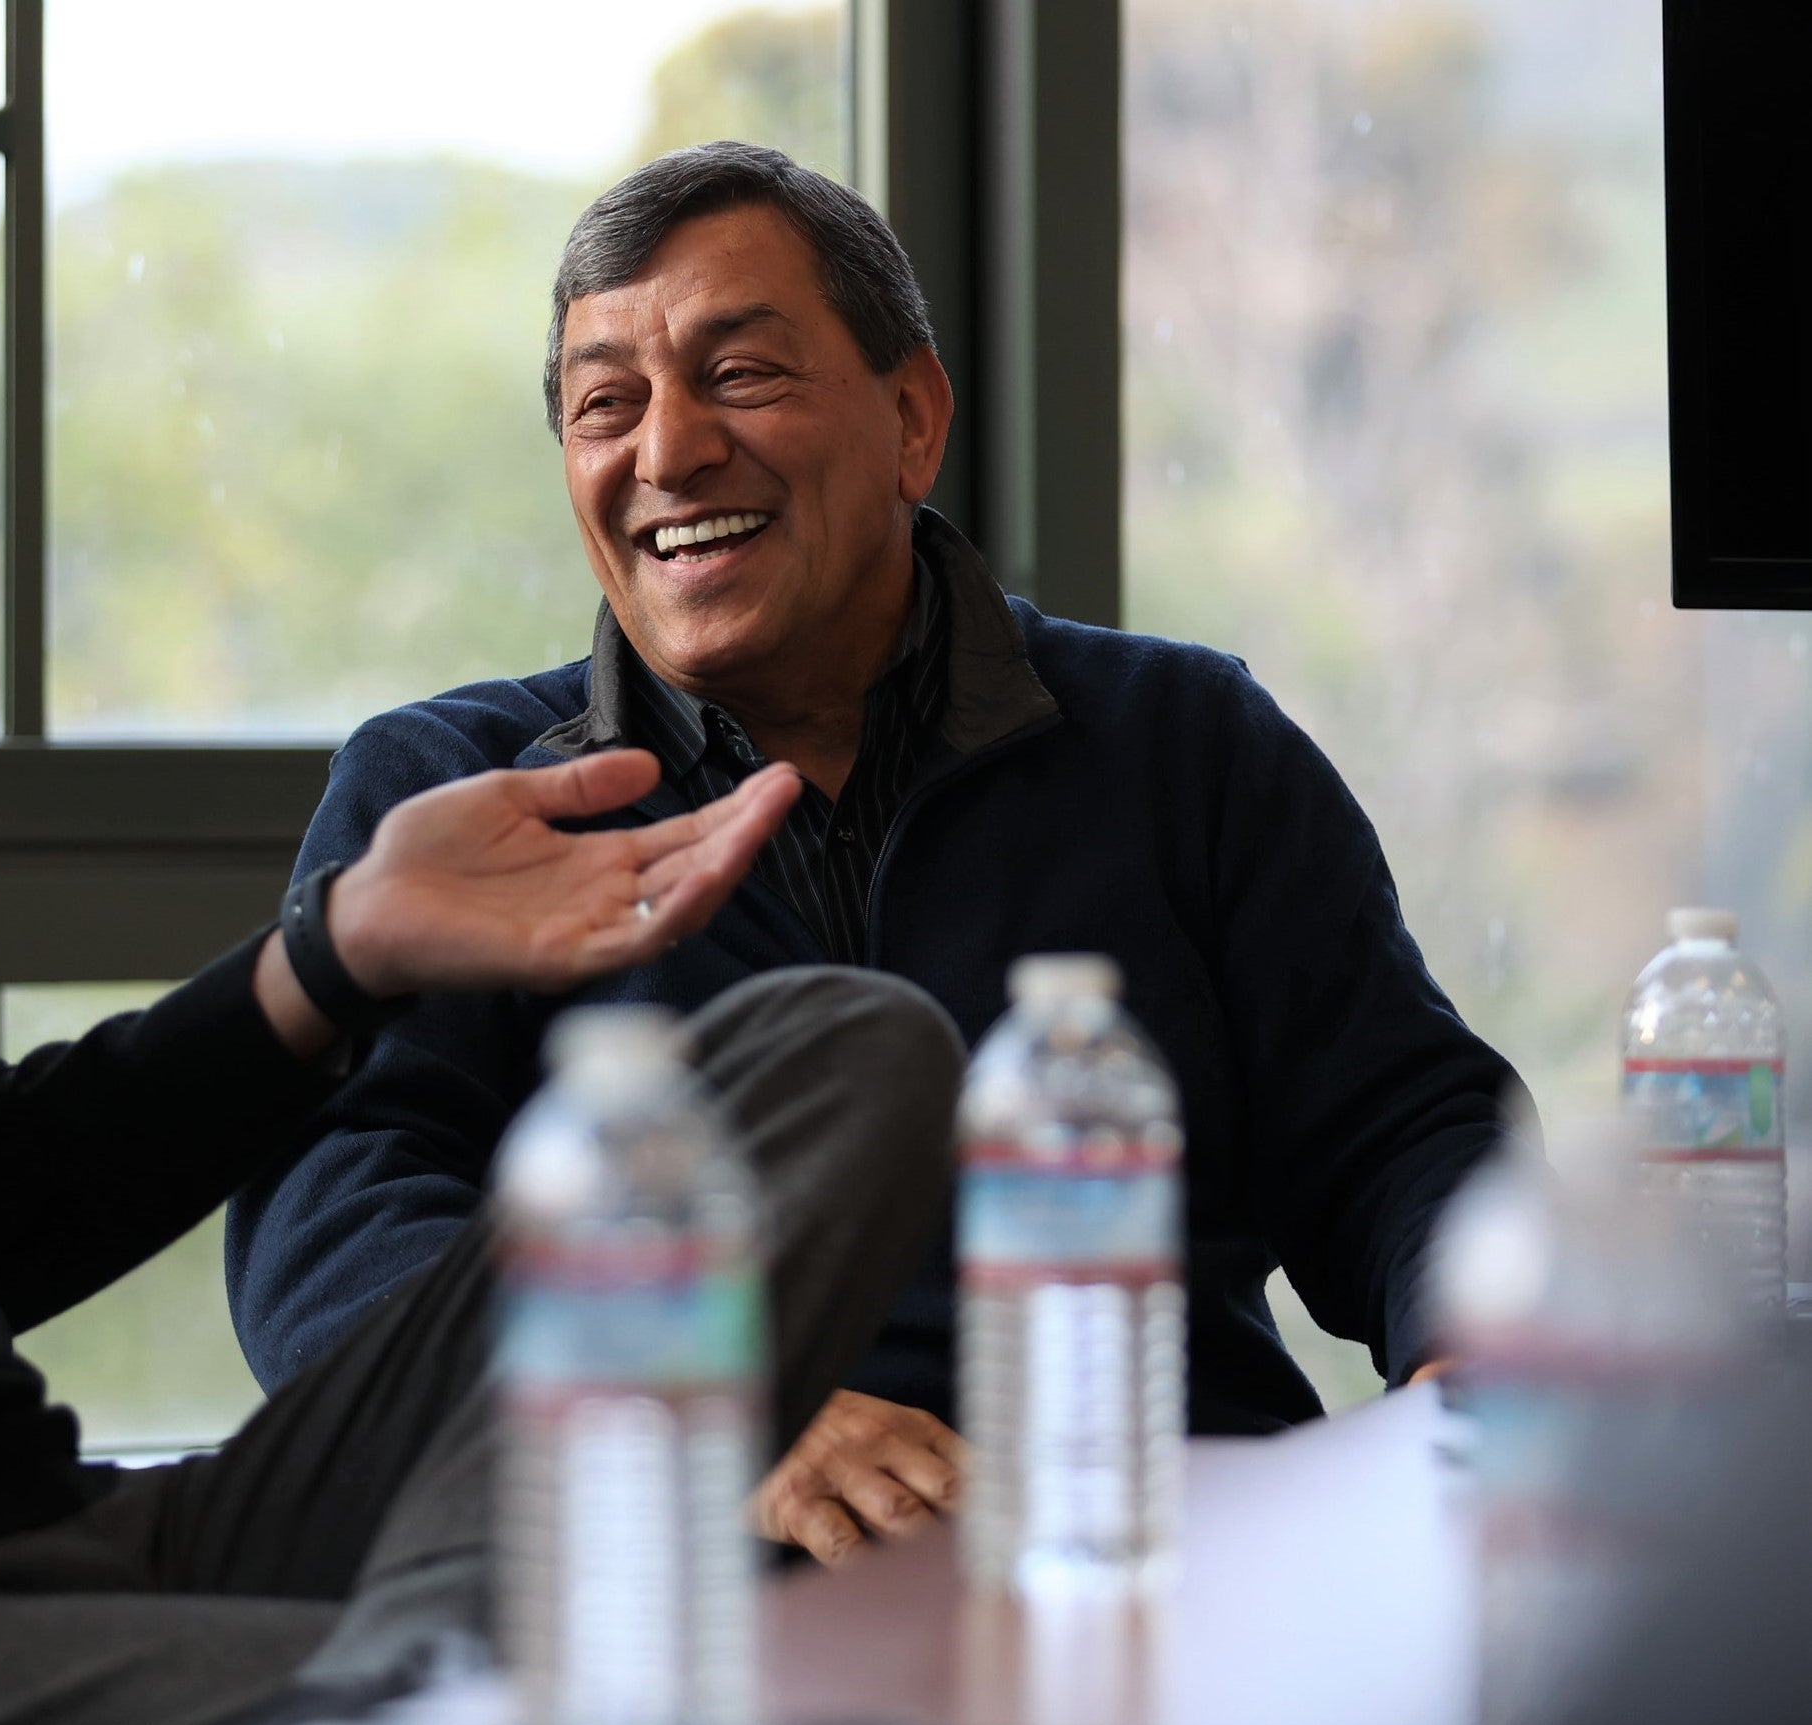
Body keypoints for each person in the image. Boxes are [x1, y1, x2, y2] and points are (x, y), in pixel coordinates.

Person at [228, 140, 1529, 1568]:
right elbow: (330, 1225)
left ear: (911, 419)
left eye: (739, 376)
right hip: (683, 1599)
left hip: (1166, 1547)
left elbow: (1402, 1128)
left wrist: (1474, 1349)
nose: (665, 451)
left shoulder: (1181, 740)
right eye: (607, 405)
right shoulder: (456, 789)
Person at [0, 752, 966, 1725]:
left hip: (70, 1530)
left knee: (839, 1049)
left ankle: (434, 1649)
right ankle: (440, 1686)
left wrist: (339, 952)